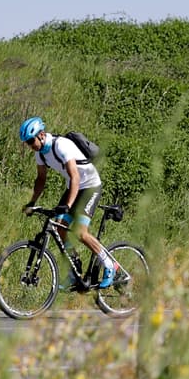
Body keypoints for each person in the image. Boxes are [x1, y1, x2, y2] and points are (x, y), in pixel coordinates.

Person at [18, 116, 116, 288]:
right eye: (27, 143)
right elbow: (41, 180)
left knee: (80, 232)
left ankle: (110, 265)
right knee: (59, 228)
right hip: (73, 187)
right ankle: (74, 268)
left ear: (41, 135)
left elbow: (75, 176)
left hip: (90, 186)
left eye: (31, 140)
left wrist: (68, 205)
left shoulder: (61, 145)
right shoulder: (40, 153)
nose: (30, 145)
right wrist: (31, 202)